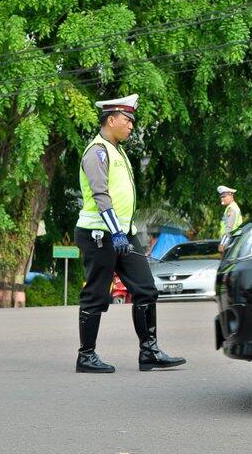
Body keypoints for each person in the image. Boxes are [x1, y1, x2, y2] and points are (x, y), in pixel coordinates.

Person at [74, 93, 186, 373]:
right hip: (100, 234)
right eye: (127, 119)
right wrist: (115, 232)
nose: (131, 125)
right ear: (111, 120)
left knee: (145, 289)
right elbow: (101, 195)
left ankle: (149, 352)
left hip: (124, 233)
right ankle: (86, 356)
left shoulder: (118, 151)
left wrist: (122, 232)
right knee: (97, 294)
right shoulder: (97, 152)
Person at [217, 185, 242, 254]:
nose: (222, 199)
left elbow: (229, 228)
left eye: (224, 196)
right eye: (221, 197)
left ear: (231, 196)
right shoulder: (233, 207)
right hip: (233, 240)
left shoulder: (231, 209)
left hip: (231, 240)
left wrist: (223, 243)